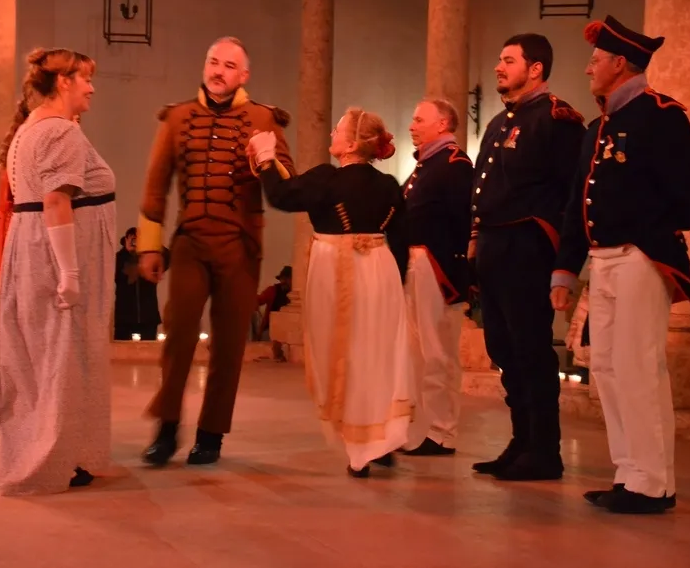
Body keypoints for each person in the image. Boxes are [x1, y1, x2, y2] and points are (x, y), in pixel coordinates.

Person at [551, 15, 690, 514]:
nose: (588, 69)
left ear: (620, 63)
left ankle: (653, 484)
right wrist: (564, 271)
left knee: (638, 368)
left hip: (641, 258)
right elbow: (577, 205)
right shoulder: (598, 127)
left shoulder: (660, 116)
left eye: (595, 60)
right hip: (602, 261)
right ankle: (629, 473)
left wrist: (650, 226)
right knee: (605, 366)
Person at [138, 37, 296, 467]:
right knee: (179, 332)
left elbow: (287, 181)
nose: (218, 71)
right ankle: (167, 427)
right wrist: (150, 248)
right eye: (213, 62)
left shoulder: (263, 118)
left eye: (228, 65)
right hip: (190, 242)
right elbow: (155, 185)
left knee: (228, 344)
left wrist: (268, 161)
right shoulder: (176, 117)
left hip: (241, 246)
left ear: (243, 75)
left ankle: (211, 435)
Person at [248, 107, 413, 477]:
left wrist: (266, 158)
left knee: (342, 354)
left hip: (339, 268)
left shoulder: (328, 179)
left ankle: (360, 449)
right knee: (376, 353)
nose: (331, 134)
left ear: (351, 144)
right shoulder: (388, 185)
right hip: (381, 268)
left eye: (337, 129)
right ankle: (380, 436)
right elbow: (402, 237)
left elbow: (282, 196)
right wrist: (397, 284)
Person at [0, 48, 115, 496]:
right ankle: (51, 459)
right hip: (52, 253)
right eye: (86, 79)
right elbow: (57, 201)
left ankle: (33, 452)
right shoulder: (60, 131)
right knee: (59, 356)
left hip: (31, 246)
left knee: (36, 358)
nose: (92, 88)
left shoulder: (30, 128)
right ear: (63, 81)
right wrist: (70, 273)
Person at [470, 33, 586, 481]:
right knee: (503, 348)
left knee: (531, 349)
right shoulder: (500, 122)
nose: (498, 67)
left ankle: (544, 451)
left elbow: (572, 195)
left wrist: (562, 258)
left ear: (535, 68)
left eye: (509, 60)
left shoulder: (557, 119)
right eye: (499, 60)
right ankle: (521, 442)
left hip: (528, 245)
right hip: (495, 244)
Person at [0, 109, 82, 456]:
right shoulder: (40, 148)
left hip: (18, 240)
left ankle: (8, 437)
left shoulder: (19, 147)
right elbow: (52, 201)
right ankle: (27, 438)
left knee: (17, 346)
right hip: (32, 241)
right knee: (32, 349)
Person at [401, 98, 474, 456]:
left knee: (437, 353)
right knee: (417, 353)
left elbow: (465, 222)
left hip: (437, 267)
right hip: (415, 263)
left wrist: (460, 273)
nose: (412, 126)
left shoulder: (454, 164)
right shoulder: (425, 165)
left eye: (419, 120)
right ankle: (421, 428)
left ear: (443, 124)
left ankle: (442, 431)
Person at [113, 226, 168, 340]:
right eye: (132, 239)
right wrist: (126, 252)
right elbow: (113, 273)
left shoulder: (151, 261)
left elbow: (168, 257)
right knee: (121, 349)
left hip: (148, 317)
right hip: (124, 319)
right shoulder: (119, 258)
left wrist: (151, 245)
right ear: (126, 239)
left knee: (148, 349)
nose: (135, 242)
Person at [255, 265, 292, 361]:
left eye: (287, 279)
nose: (284, 281)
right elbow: (259, 300)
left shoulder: (295, 294)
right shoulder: (272, 290)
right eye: (283, 279)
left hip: (289, 332)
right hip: (269, 330)